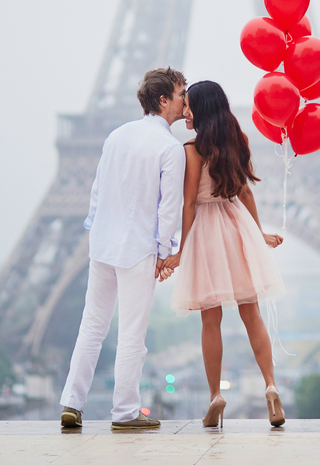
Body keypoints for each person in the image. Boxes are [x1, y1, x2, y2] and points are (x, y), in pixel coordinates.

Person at [59, 67, 187, 431]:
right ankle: (125, 412)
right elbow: (169, 207)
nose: (184, 100)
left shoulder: (117, 136)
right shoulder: (170, 147)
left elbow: (97, 191)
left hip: (102, 244)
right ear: (163, 100)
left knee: (92, 327)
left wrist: (95, 228)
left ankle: (72, 403)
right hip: (138, 249)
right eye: (180, 93)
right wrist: (164, 252)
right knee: (132, 334)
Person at [160, 81, 287, 427]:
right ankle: (271, 386)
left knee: (210, 320)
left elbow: (188, 203)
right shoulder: (236, 140)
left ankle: (216, 394)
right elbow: (245, 192)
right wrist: (257, 235)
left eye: (187, 106)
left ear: (199, 109)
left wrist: (181, 251)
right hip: (236, 227)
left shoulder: (192, 148)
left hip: (205, 233)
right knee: (252, 314)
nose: (184, 112)